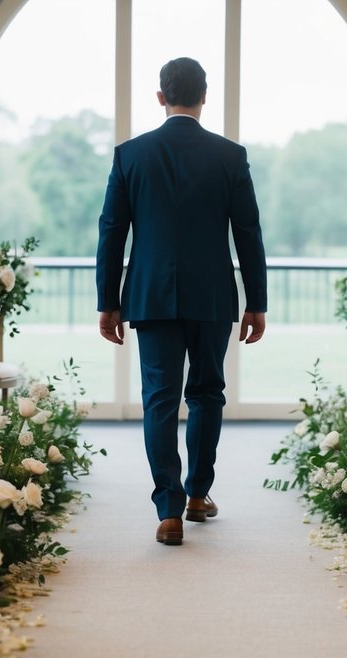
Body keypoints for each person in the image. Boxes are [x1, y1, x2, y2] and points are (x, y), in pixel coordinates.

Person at [96, 56, 268, 546]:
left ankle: (168, 509)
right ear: (204, 97)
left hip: (149, 295)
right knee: (208, 393)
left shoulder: (130, 155)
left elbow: (112, 231)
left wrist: (108, 301)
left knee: (159, 399)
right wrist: (257, 301)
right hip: (213, 294)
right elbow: (248, 232)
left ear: (160, 97)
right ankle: (197, 495)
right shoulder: (230, 156)